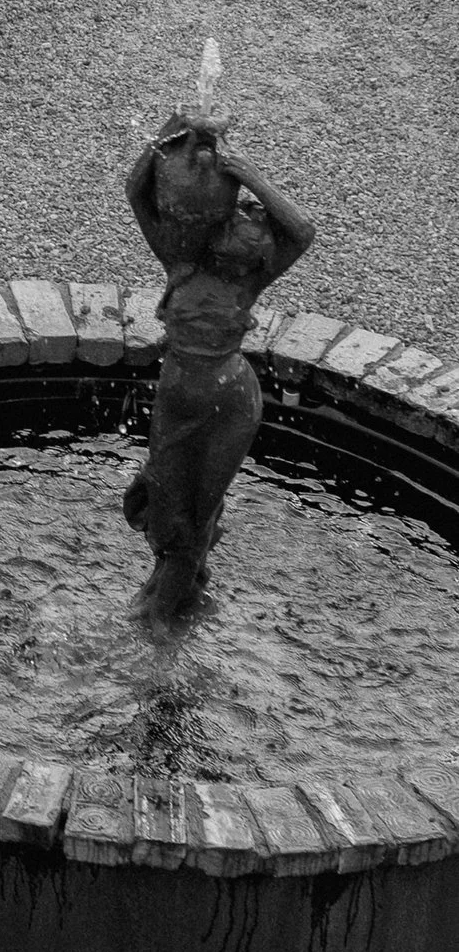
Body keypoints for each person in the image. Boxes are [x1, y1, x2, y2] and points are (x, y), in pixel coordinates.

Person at [121, 113, 315, 622]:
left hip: (230, 402)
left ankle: (163, 612)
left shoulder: (249, 282)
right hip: (178, 392)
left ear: (261, 253)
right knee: (163, 502)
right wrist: (174, 131)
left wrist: (247, 172)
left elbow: (301, 229)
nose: (245, 218)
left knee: (198, 512)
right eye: (239, 213)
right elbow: (136, 189)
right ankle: (185, 585)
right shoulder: (180, 263)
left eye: (254, 219)